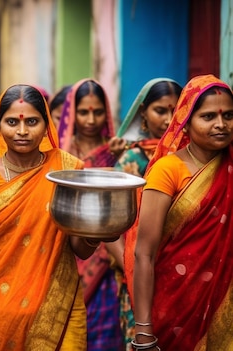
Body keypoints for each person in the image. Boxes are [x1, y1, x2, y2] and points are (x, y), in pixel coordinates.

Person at [0, 84, 100, 351]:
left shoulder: (67, 169)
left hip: (57, 305)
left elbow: (79, 250)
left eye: (32, 122)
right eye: (12, 122)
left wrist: (98, 235)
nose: (23, 131)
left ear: (47, 124)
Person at [126, 75, 233, 350]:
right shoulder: (168, 170)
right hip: (173, 304)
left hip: (224, 303)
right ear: (186, 120)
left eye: (229, 116)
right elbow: (144, 253)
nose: (221, 125)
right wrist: (143, 329)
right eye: (208, 116)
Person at [106, 78, 182, 348]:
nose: (169, 119)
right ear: (143, 114)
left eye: (177, 111)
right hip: (138, 270)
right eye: (161, 111)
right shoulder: (132, 160)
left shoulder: (191, 158)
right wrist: (131, 267)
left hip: (183, 272)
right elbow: (108, 223)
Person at [58, 78, 123, 350]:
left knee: (103, 334)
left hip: (108, 257)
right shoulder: (60, 154)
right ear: (72, 113)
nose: (90, 119)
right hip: (66, 252)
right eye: (83, 112)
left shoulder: (116, 150)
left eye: (97, 112)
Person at [113, 79, 182, 176]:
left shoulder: (192, 153)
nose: (169, 121)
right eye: (160, 111)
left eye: (176, 112)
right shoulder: (132, 158)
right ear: (143, 111)